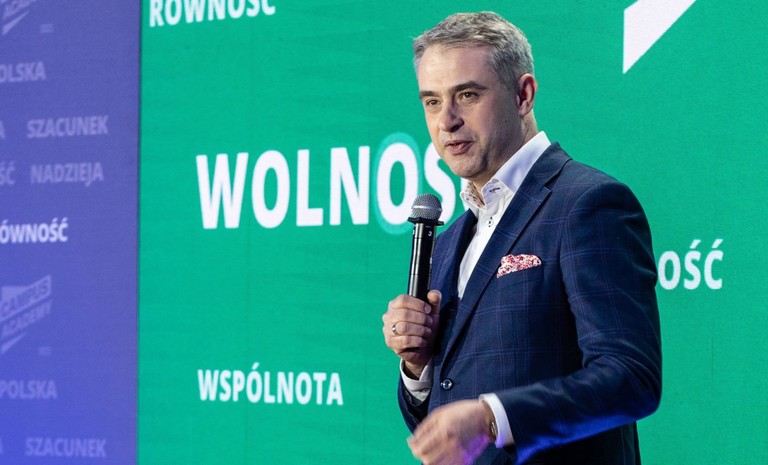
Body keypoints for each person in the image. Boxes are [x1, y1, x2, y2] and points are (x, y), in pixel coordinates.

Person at [381, 11, 662, 465]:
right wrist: (418, 366)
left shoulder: (588, 204)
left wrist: (494, 418)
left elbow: (631, 378)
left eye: (467, 95)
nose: (446, 121)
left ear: (523, 95)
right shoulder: (449, 242)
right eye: (431, 101)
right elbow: (445, 424)